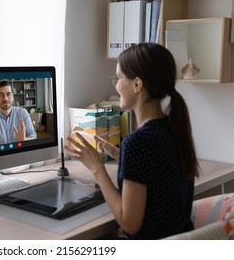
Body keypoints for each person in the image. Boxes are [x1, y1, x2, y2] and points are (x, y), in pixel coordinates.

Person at [65, 43, 200, 239]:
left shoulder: (138, 142)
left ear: (137, 84)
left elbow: (129, 224)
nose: (116, 84)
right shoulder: (173, 129)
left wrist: (97, 168)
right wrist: (121, 156)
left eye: (119, 78)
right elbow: (159, 170)